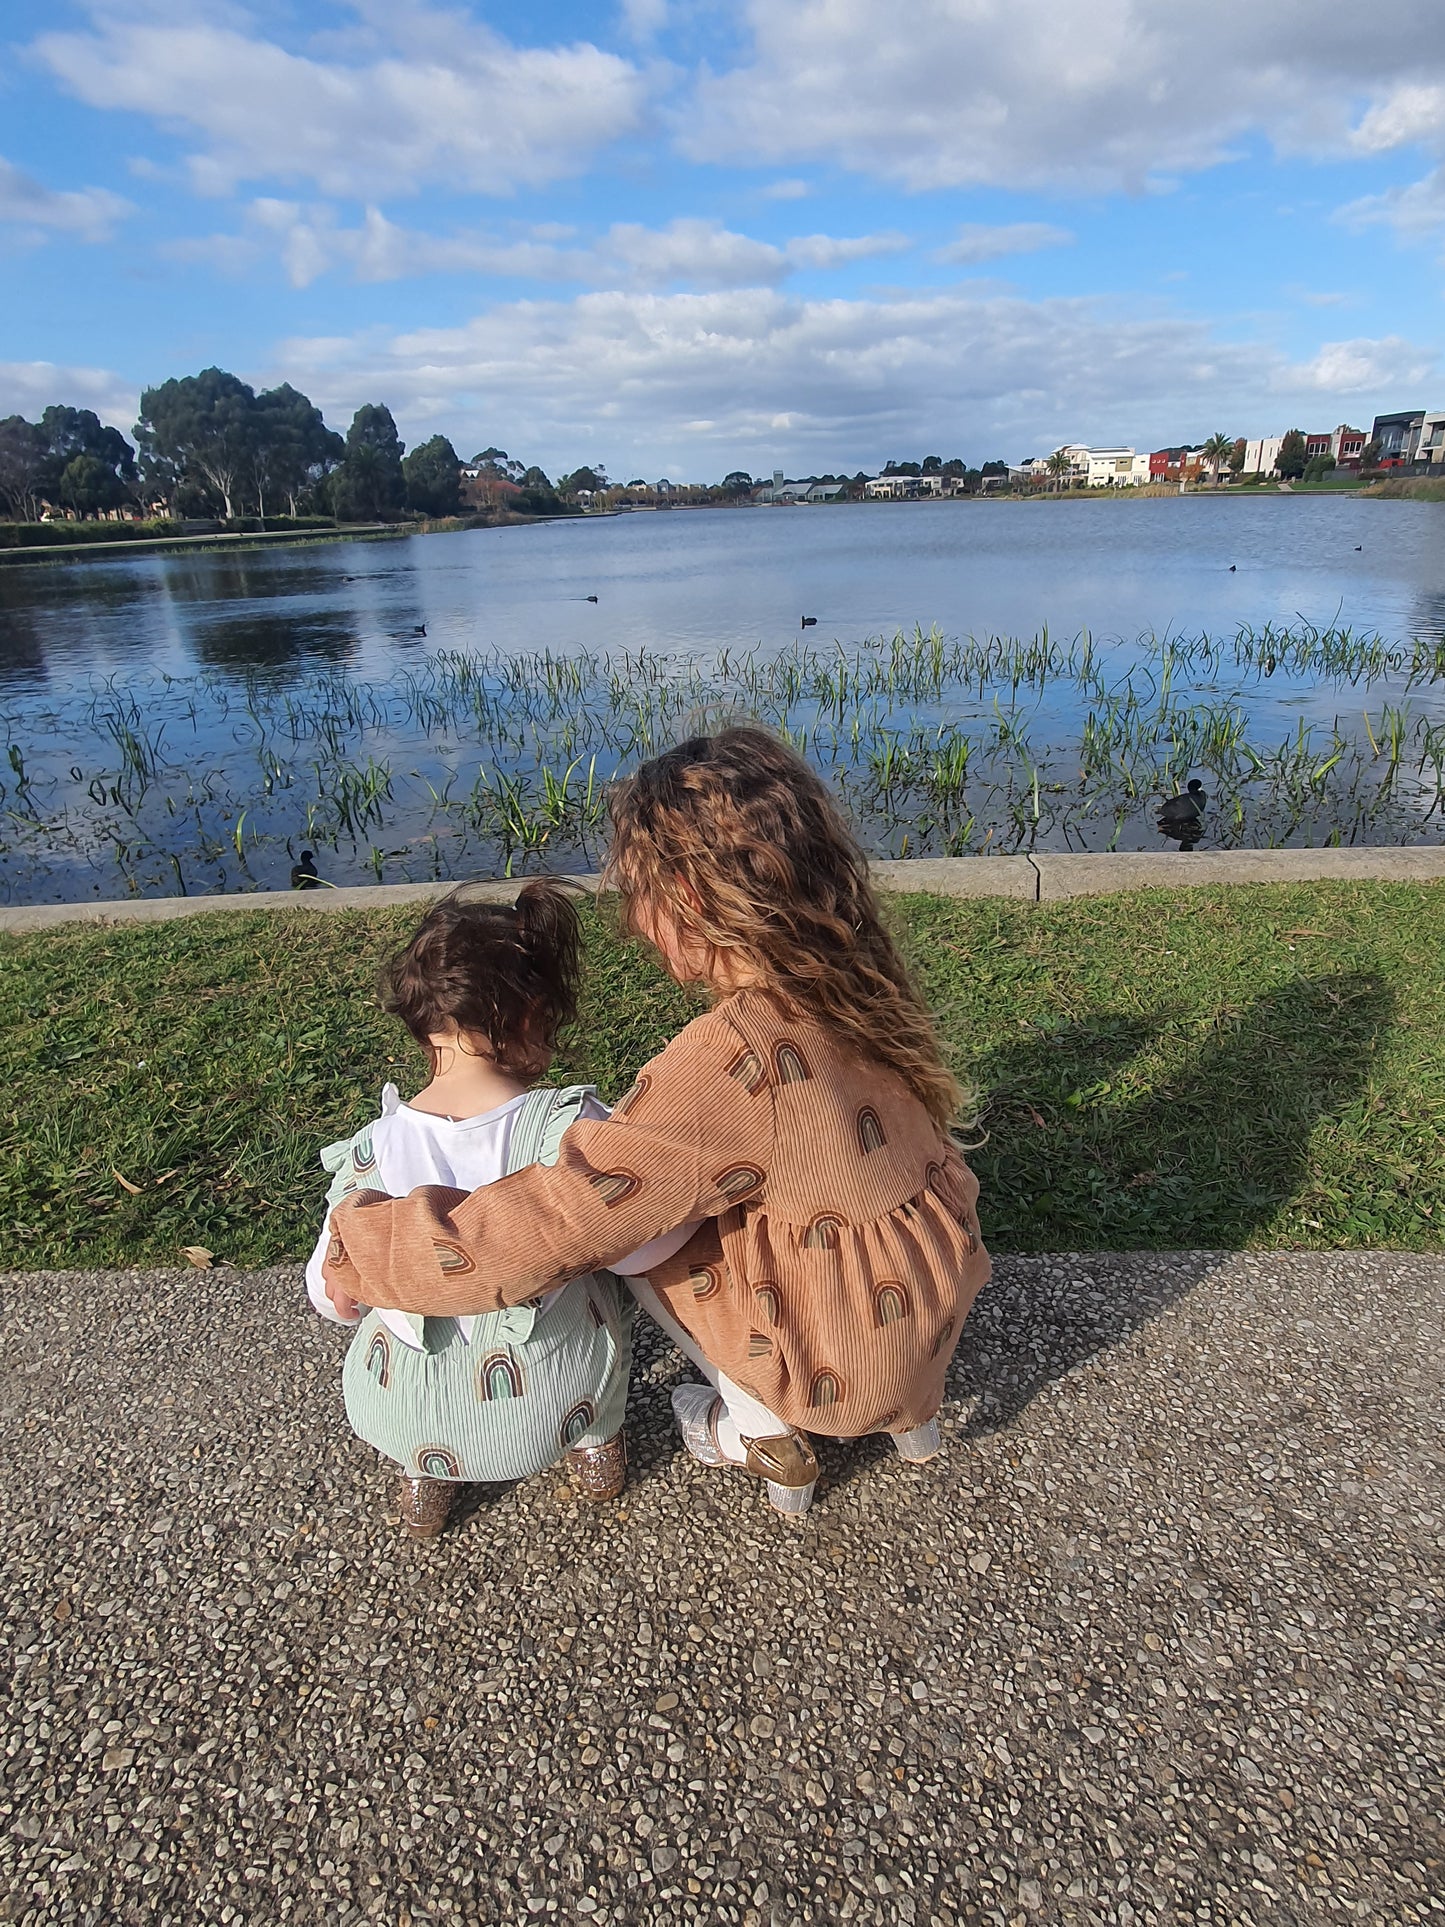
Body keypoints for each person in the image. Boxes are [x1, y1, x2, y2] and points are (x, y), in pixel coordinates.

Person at [324, 728, 991, 1518]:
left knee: (640, 1244)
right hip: (933, 1303)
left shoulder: (728, 1058)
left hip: (837, 1363)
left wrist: (362, 1244)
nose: (633, 920)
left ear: (692, 900)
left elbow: (552, 1223)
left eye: (638, 893)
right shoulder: (849, 974)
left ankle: (760, 1433)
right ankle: (913, 1424)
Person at [306, 882, 693, 1539]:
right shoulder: (564, 1130)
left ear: (422, 1022)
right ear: (531, 1015)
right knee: (604, 1275)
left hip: (396, 1410)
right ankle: (596, 1448)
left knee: (397, 1312)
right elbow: (646, 1246)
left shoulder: (373, 1151)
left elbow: (329, 1294)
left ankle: (425, 1481)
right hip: (544, 1406)